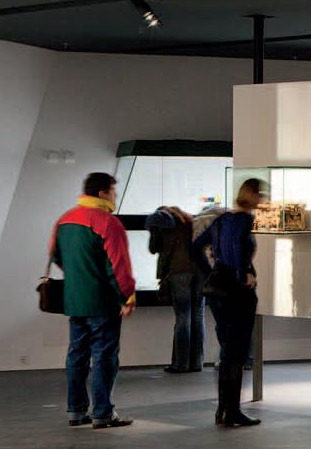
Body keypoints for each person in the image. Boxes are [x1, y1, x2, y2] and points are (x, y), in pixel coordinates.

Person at [49, 172, 136, 428]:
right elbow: (118, 266)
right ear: (102, 193)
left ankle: (76, 411)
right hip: (103, 302)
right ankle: (102, 413)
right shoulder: (108, 222)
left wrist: (79, 276)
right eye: (113, 191)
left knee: (76, 354)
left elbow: (55, 256)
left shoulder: (64, 219)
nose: (116, 196)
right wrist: (128, 296)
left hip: (74, 299)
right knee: (104, 356)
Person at [193, 178, 267, 427]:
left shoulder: (222, 219)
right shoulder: (244, 219)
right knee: (236, 352)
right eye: (261, 194)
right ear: (253, 195)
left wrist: (213, 271)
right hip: (236, 292)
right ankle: (232, 412)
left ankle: (223, 410)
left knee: (228, 352)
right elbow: (236, 246)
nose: (264, 200)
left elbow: (196, 247)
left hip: (217, 288)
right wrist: (242, 273)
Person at [146, 206, 204, 374]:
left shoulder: (162, 224)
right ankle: (196, 363)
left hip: (178, 272)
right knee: (198, 316)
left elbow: (153, 248)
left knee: (183, 317)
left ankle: (181, 363)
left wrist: (153, 232)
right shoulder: (191, 222)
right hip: (200, 273)